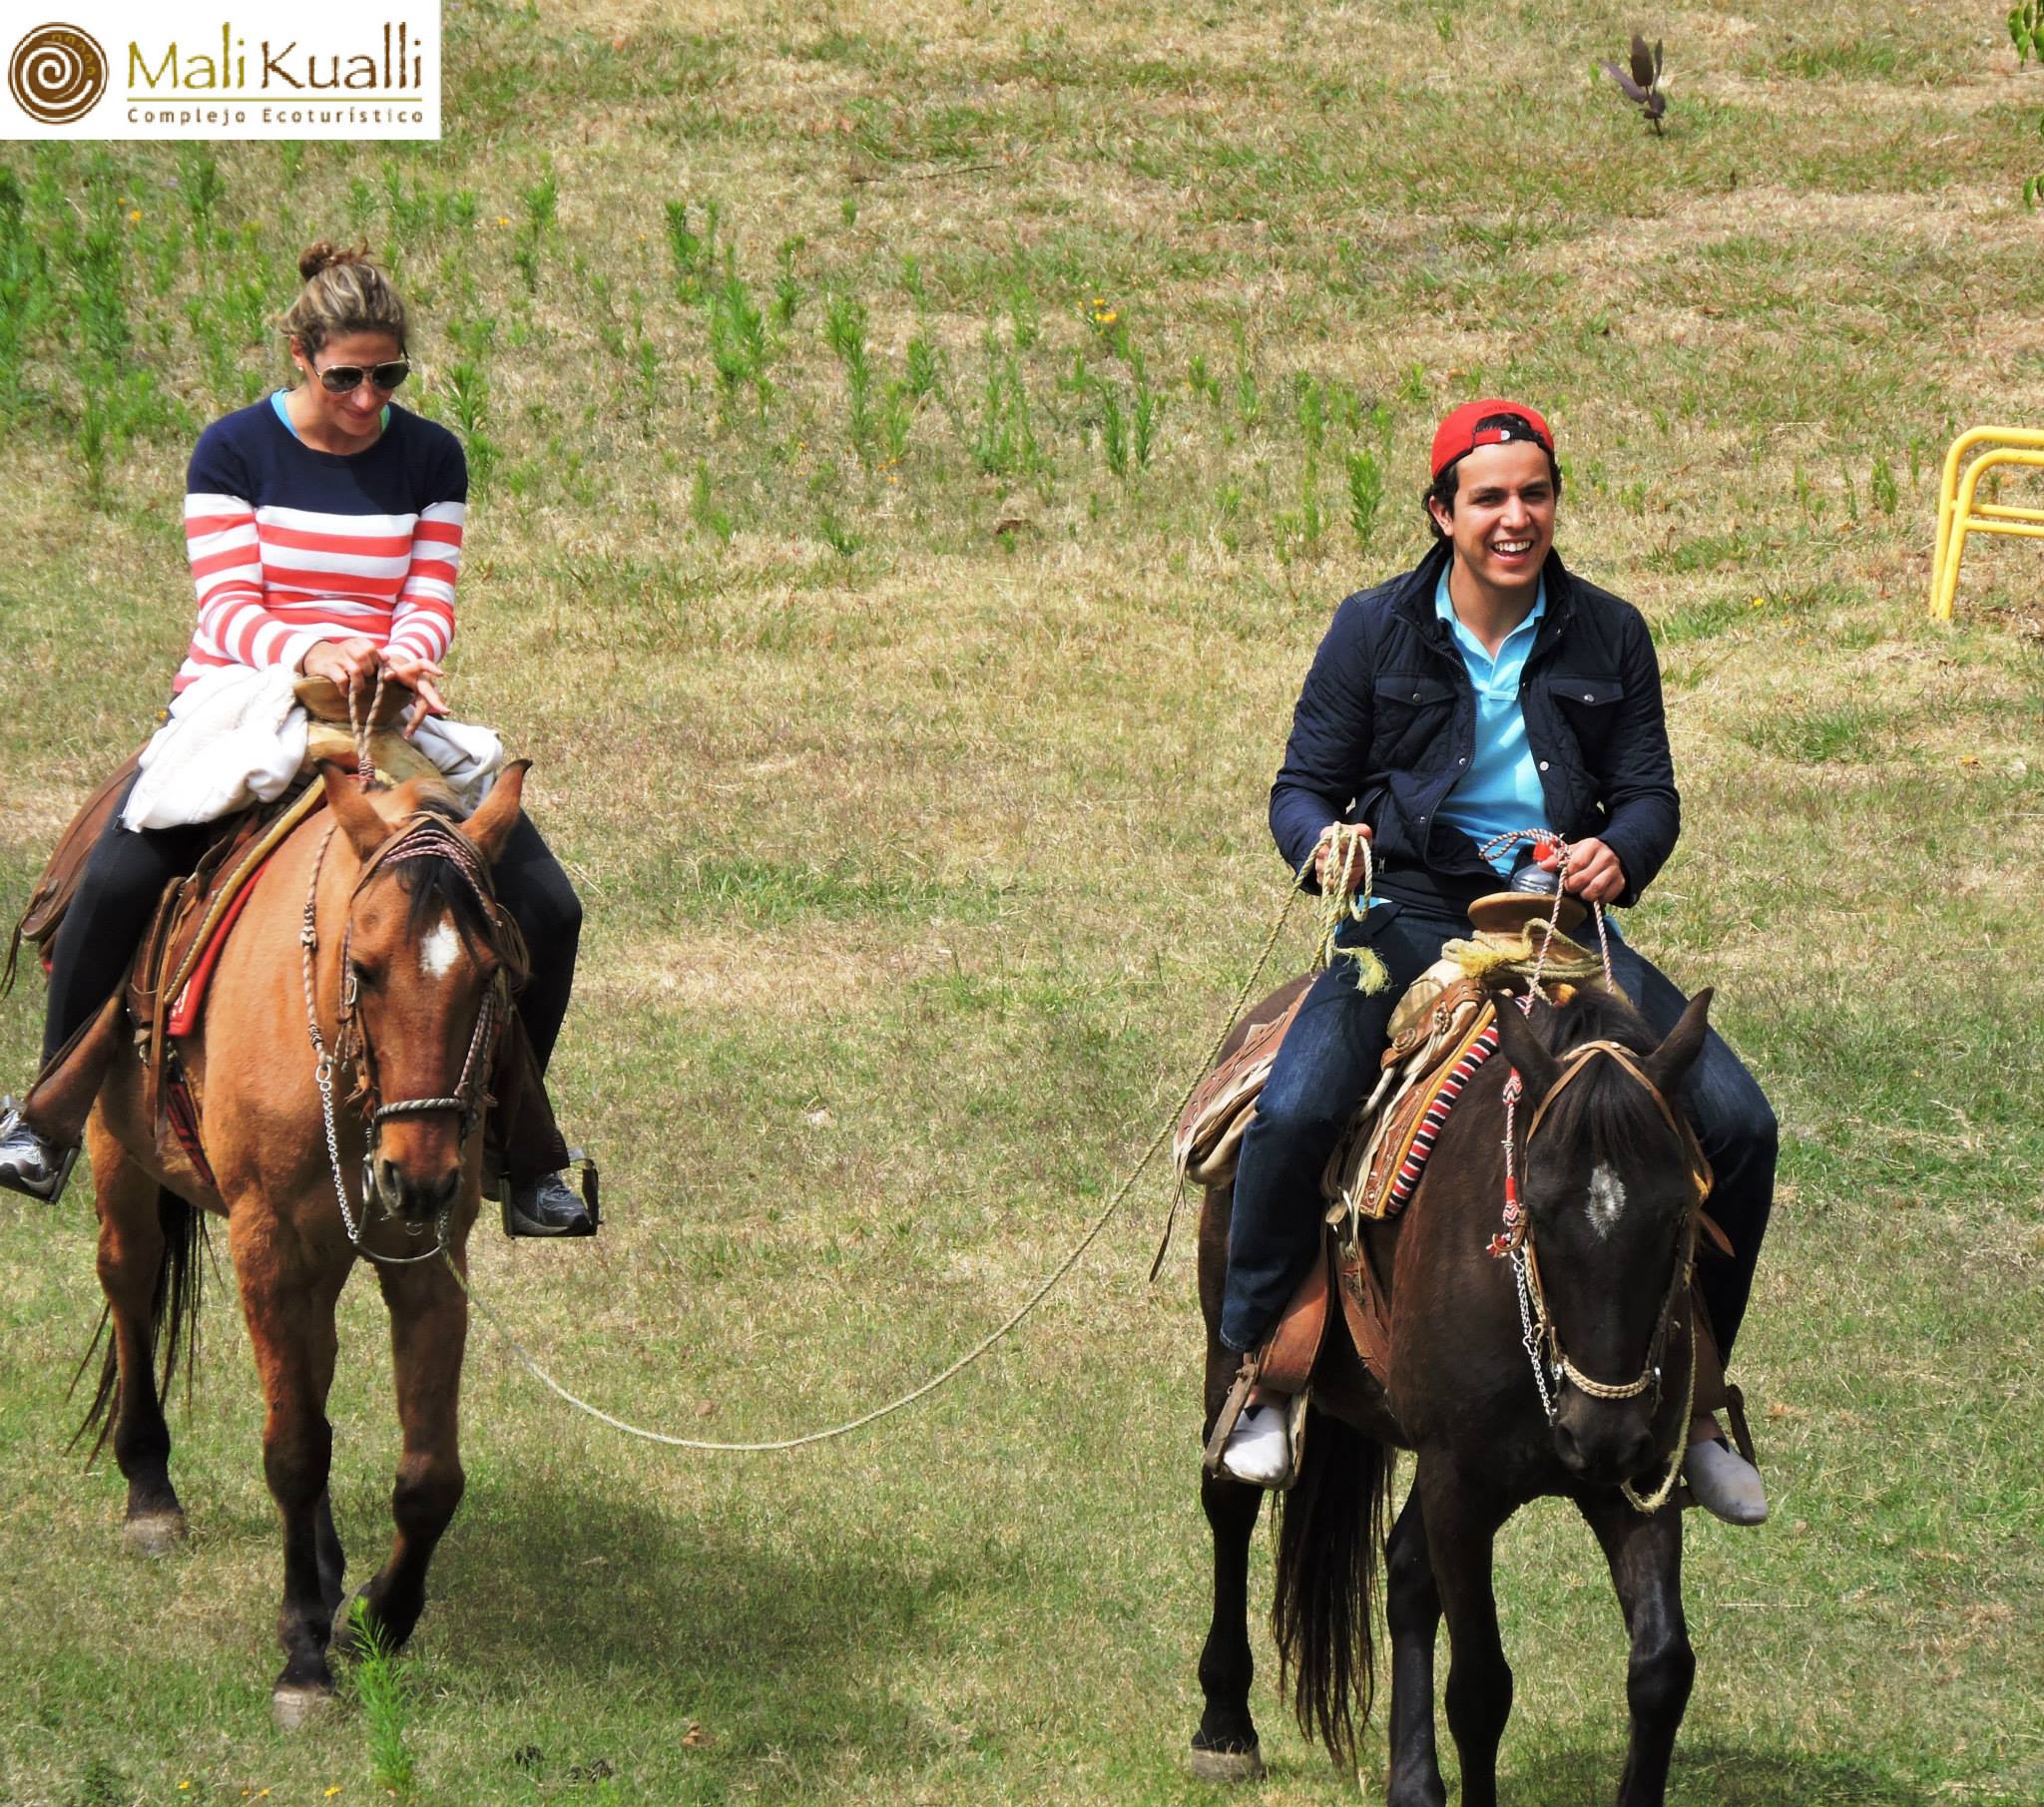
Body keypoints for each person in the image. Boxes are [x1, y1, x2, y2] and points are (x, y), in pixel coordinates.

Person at [1216, 399, 1774, 1523]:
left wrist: (1618, 851)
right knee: (1293, 1108)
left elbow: (1649, 794)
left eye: (1533, 494)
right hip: (1408, 912)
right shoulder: (1369, 628)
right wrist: (1321, 842)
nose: (1514, 518)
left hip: (1561, 924)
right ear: (1441, 513)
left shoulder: (1608, 631)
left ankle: (1698, 1398)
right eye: (1488, 499)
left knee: (1740, 1122)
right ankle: (1259, 1376)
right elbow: (1299, 789)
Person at [0, 241, 596, 1237]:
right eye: (346, 377)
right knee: (114, 877)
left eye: (388, 375)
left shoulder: (433, 455)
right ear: (299, 355)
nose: (368, 399)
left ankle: (514, 1148)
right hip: (248, 700)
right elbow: (229, 606)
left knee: (547, 903)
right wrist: (318, 647)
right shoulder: (231, 449)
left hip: (388, 720)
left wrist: (401, 657)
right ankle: (48, 1114)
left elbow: (429, 600)